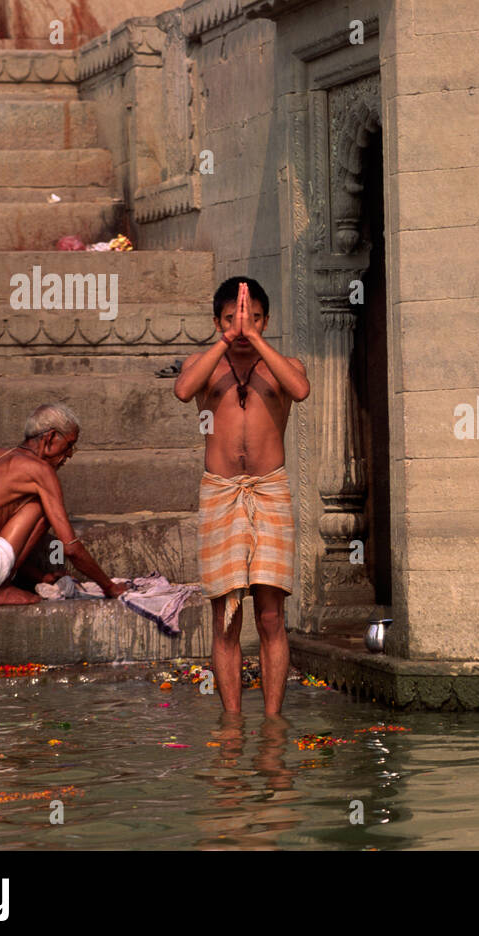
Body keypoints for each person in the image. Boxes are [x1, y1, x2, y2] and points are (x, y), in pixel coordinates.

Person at [174, 276, 310, 715]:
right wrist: (227, 340)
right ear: (217, 321)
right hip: (220, 492)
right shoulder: (204, 364)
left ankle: (272, 719)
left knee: (271, 615)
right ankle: (231, 720)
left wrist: (252, 338)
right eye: (231, 319)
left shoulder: (285, 366)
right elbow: (182, 390)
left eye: (251, 319)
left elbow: (301, 391)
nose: (241, 327)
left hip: (270, 490)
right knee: (226, 618)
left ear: (266, 321)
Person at [0, 403, 126, 605]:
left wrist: (39, 577)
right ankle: (1, 587)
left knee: (34, 504)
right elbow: (69, 548)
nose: (69, 454)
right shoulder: (40, 470)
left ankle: (3, 581)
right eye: (70, 445)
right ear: (50, 437)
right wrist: (110, 587)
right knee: (43, 506)